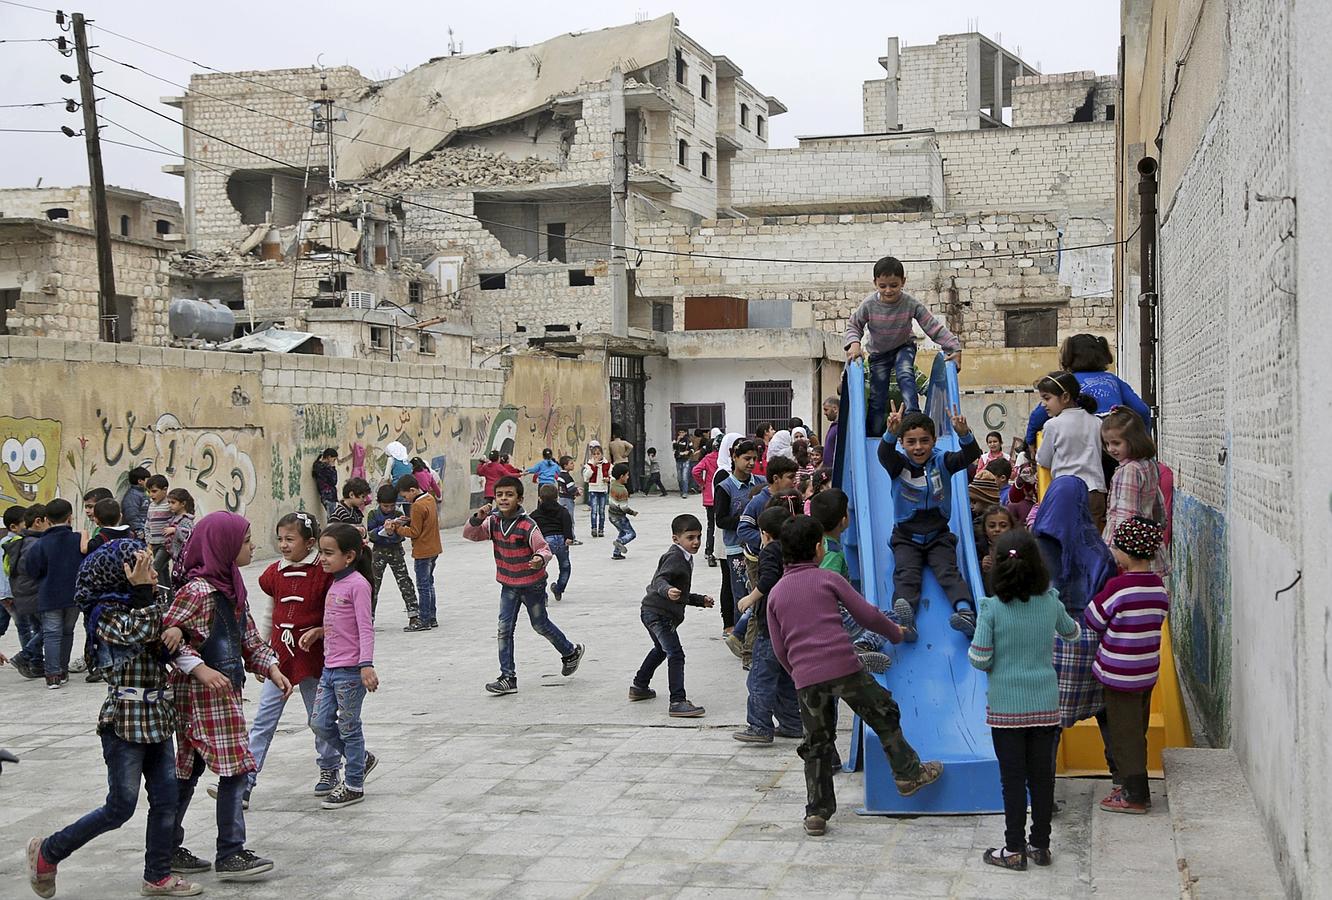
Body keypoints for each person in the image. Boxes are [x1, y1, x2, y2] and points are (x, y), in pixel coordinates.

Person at [26, 542, 201, 898]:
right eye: (144, 569)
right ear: (121, 575)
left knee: (166, 800)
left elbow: (168, 633)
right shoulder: (105, 614)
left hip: (158, 718)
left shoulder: (147, 603)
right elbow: (136, 633)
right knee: (120, 806)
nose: (154, 576)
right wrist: (140, 595)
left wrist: (177, 629)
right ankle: (48, 851)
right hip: (124, 721)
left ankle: (157, 875)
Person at [767, 515, 941, 836]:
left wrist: (799, 674)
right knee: (883, 712)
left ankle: (817, 812)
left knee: (817, 743)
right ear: (818, 549)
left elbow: (780, 648)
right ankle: (907, 774)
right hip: (845, 667)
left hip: (807, 678)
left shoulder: (776, 594)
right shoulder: (829, 580)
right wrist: (896, 633)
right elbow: (868, 615)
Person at [166, 511, 289, 881]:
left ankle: (166, 846)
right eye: (246, 540)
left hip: (223, 693)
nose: (253, 546)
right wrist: (199, 668)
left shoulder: (230, 586)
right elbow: (167, 639)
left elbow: (249, 639)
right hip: (203, 698)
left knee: (187, 771)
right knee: (235, 769)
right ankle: (231, 853)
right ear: (224, 544)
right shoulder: (198, 591)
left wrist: (271, 666)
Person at [968, 528, 1080, 871]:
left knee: (1012, 780)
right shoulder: (1050, 602)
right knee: (1042, 779)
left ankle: (1013, 848)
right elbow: (1072, 633)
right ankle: (1040, 846)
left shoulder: (991, 609)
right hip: (1045, 704)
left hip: (1005, 708)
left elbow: (980, 657)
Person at [223, 511, 340, 808]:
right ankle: (246, 782)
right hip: (280, 660)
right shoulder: (274, 573)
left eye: (290, 539)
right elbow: (269, 611)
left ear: (310, 542)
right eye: (280, 539)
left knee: (319, 719)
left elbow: (336, 615)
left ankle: (330, 768)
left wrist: (323, 633)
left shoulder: (322, 572)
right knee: (263, 720)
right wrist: (262, 652)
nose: (284, 545)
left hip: (314, 660)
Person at [463, 475, 584, 695]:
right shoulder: (492, 522)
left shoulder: (527, 525)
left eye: (509, 495)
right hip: (508, 585)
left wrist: (539, 559)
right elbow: (470, 535)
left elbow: (544, 548)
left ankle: (570, 652)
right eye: (499, 495)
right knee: (504, 629)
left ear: (519, 498)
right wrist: (476, 518)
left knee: (540, 625)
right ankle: (508, 677)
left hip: (532, 585)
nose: (503, 499)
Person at [1084, 516, 1170, 814]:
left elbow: (1092, 619)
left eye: (1117, 547)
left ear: (1126, 552)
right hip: (1146, 674)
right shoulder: (1158, 588)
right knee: (1138, 729)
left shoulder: (1117, 588)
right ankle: (1136, 786)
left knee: (1124, 735)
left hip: (1118, 676)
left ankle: (1134, 795)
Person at [1032, 476, 1118, 765]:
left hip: (1047, 640)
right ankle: (1123, 779)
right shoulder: (1098, 550)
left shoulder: (1033, 549)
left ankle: (1045, 792)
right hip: (1091, 641)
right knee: (1107, 711)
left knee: (1047, 722)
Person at [877, 404, 981, 640]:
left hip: (938, 535)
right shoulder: (897, 465)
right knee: (906, 574)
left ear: (934, 440)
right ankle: (906, 621)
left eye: (924, 440)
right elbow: (883, 453)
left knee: (949, 571)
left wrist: (964, 434)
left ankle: (965, 613)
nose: (918, 447)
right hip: (905, 536)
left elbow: (970, 456)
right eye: (911, 441)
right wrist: (890, 433)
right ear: (902, 443)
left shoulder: (943, 461)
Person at [844, 255, 962, 432]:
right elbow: (854, 325)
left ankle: (913, 418)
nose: (888, 290)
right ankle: (873, 433)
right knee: (877, 396)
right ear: (875, 282)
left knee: (906, 374)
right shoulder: (869, 304)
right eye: (882, 286)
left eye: (894, 285)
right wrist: (854, 344)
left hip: (903, 346)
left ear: (903, 282)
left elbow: (931, 326)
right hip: (878, 353)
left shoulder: (909, 303)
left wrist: (954, 347)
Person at [310, 523, 379, 809]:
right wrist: (318, 632)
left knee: (349, 728)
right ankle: (360, 758)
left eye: (328, 553)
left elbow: (365, 627)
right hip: (329, 668)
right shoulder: (336, 582)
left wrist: (366, 665)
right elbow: (340, 624)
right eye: (321, 553)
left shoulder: (358, 585)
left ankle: (354, 784)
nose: (322, 559)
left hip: (351, 671)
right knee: (319, 722)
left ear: (349, 556)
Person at [630, 513, 714, 718]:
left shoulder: (684, 557)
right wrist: (666, 590)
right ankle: (677, 701)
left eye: (699, 537)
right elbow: (660, 580)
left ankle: (640, 687)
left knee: (661, 649)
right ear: (676, 539)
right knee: (675, 654)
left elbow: (681, 593)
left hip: (653, 611)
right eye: (690, 538)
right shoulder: (675, 556)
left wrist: (699, 600)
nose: (696, 542)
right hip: (658, 614)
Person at [734, 502, 804, 743]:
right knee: (785, 678)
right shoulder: (794, 550)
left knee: (759, 678)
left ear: (765, 533)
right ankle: (792, 723)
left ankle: (759, 726)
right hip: (790, 625)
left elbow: (768, 579)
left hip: (770, 628)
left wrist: (749, 599)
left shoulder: (770, 551)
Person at [808, 488, 893, 667]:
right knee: (889, 619)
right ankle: (861, 646)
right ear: (843, 520)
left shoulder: (818, 543)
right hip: (836, 616)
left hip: (828, 618)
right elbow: (825, 585)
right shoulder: (831, 552)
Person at [1023, 333, 1152, 447]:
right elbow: (1142, 410)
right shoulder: (1113, 380)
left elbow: (1038, 416)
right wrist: (1145, 438)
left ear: (1069, 357)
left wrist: (1029, 441)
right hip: (1114, 441)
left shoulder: (1066, 382)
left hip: (1083, 446)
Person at [729, 455, 799, 661]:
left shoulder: (791, 500)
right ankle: (749, 653)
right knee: (759, 602)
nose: (794, 481)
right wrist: (765, 544)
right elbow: (743, 529)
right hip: (758, 559)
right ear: (775, 478)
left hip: (781, 556)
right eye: (789, 477)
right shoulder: (758, 501)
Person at [1034, 372, 1108, 533]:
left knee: (1069, 542)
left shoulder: (1052, 425)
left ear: (1065, 397)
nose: (1043, 404)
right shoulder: (1096, 422)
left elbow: (1044, 460)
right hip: (1095, 492)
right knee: (1091, 542)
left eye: (1047, 398)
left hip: (1067, 494)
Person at [22, 498, 83, 688]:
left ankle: (53, 675)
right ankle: (63, 670)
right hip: (74, 595)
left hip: (49, 596)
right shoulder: (78, 540)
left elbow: (31, 570)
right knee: (67, 632)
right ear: (70, 517)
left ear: (47, 519)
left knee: (51, 634)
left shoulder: (40, 544)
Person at [1101, 407, 1170, 575]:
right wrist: (1158, 529)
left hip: (1128, 552)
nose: (1110, 449)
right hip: (1146, 546)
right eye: (1107, 443)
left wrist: (1118, 551)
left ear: (1134, 440)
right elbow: (1158, 504)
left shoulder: (1129, 470)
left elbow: (1126, 515)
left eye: (1116, 443)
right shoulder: (1149, 464)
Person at [714, 437, 766, 633]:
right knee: (740, 593)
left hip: (758, 548)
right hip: (736, 549)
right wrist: (747, 519)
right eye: (746, 458)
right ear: (734, 457)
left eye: (754, 458)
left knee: (758, 591)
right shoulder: (725, 487)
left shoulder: (761, 483)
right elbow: (721, 520)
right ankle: (739, 634)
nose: (751, 463)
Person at [367, 484, 422, 632]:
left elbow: (403, 533)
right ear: (379, 503)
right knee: (373, 585)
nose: (389, 509)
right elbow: (370, 534)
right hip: (378, 552)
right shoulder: (373, 514)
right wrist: (383, 530)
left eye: (392, 505)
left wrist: (395, 530)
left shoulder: (398, 515)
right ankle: (368, 618)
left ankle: (414, 614)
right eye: (385, 506)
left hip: (396, 551)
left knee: (404, 581)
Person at [4, 504, 47, 679]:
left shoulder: (16, 543)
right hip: (26, 594)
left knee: (35, 628)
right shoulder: (27, 544)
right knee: (47, 628)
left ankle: (35, 663)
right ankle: (25, 656)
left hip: (20, 594)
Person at [394, 474, 441, 629]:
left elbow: (414, 532)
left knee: (422, 586)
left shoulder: (417, 506)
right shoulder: (430, 499)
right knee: (429, 583)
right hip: (434, 547)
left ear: (413, 490)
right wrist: (408, 520)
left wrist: (398, 528)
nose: (405, 499)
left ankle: (424, 620)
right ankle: (432, 617)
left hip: (423, 550)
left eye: (405, 495)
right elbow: (425, 522)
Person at [531, 484, 574, 602]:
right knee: (565, 566)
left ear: (540, 498)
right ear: (557, 498)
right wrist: (569, 537)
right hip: (561, 540)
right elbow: (567, 522)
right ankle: (559, 588)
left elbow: (531, 528)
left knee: (540, 569)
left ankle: (542, 595)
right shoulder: (562, 511)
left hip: (545, 542)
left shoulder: (535, 514)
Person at [976, 504, 1019, 594]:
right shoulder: (978, 549)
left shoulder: (1017, 547)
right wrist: (981, 566)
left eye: (1003, 526)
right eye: (992, 526)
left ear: (1011, 527)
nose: (997, 529)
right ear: (985, 529)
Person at [691, 438, 721, 567]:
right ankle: (718, 550)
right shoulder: (726, 458)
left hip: (709, 495)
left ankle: (709, 551)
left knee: (711, 525)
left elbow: (695, 471)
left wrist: (702, 484)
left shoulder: (708, 458)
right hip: (721, 494)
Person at [162, 489, 196, 586]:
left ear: (183, 503)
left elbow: (189, 535)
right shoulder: (174, 517)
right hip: (174, 554)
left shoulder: (186, 519)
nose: (170, 505)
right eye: (169, 502)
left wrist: (175, 530)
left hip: (182, 556)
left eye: (173, 502)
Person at [145, 475, 173, 587]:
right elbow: (147, 524)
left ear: (165, 490)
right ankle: (167, 598)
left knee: (155, 567)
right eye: (149, 492)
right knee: (162, 572)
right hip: (154, 543)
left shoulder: (169, 505)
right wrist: (149, 541)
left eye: (154, 491)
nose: (151, 495)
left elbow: (177, 520)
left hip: (165, 544)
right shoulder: (151, 506)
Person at [608, 462, 638, 560]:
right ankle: (620, 542)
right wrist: (632, 512)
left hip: (611, 516)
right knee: (631, 534)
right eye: (627, 475)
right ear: (621, 476)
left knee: (622, 532)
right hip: (619, 517)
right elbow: (623, 507)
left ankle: (616, 553)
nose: (628, 477)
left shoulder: (613, 484)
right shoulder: (623, 490)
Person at [583, 441, 612, 539]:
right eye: (594, 454)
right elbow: (586, 477)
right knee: (594, 510)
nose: (596, 456)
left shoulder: (607, 464)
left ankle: (601, 529)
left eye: (598, 454)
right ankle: (594, 528)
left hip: (603, 489)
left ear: (602, 454)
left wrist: (608, 479)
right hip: (593, 489)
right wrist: (593, 467)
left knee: (602, 510)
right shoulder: (589, 465)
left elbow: (612, 476)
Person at [556, 455, 582, 545]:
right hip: (567, 500)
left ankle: (564, 537)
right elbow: (571, 490)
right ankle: (571, 538)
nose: (573, 465)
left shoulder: (560, 475)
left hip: (562, 499)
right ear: (565, 465)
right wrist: (578, 491)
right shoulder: (567, 477)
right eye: (571, 463)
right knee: (569, 520)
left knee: (563, 519)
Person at [312, 449, 339, 520]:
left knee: (332, 517)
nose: (334, 462)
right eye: (334, 459)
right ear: (329, 457)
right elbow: (334, 481)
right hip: (330, 496)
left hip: (324, 495)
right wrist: (333, 467)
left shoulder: (318, 466)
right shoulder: (326, 468)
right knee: (333, 518)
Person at [672, 429, 694, 498]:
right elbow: (674, 448)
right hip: (678, 460)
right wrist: (678, 440)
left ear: (685, 433)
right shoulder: (675, 440)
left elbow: (692, 449)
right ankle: (681, 490)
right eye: (680, 432)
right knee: (679, 477)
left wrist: (688, 452)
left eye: (682, 432)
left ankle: (685, 492)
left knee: (684, 477)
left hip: (686, 460)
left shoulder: (688, 440)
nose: (681, 434)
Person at [821, 397, 841, 472]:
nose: (824, 413)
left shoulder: (839, 428)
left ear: (835, 409)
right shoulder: (834, 427)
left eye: (826, 410)